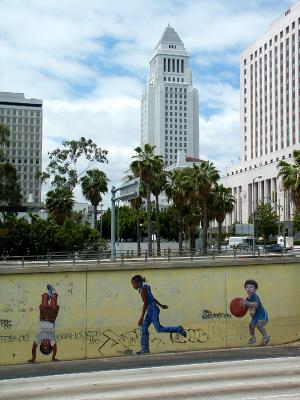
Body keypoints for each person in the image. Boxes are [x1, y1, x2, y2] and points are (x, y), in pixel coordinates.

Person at [131, 274, 187, 355]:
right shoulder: (146, 286)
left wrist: (142, 317)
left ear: (138, 282)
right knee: (144, 329)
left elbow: (146, 303)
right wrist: (161, 305)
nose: (133, 286)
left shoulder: (143, 290)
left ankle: (178, 329)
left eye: (133, 284)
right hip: (152, 309)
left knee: (159, 329)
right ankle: (145, 350)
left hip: (152, 310)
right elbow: (152, 298)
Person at [28, 285, 59, 362]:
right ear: (50, 344)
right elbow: (54, 348)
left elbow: (34, 348)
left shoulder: (39, 338)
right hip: (51, 317)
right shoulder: (52, 339)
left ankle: (48, 295)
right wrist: (53, 357)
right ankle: (52, 294)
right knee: (54, 298)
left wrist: (33, 358)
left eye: (44, 344)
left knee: (44, 296)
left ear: (41, 343)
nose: (45, 342)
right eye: (47, 344)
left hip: (43, 316)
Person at [241, 279, 270, 346]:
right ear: (245, 288)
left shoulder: (254, 296)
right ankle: (253, 338)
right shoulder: (247, 298)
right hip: (255, 316)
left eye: (251, 287)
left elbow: (255, 305)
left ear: (255, 289)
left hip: (262, 314)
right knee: (251, 326)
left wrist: (246, 303)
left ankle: (266, 336)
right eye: (247, 287)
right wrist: (242, 307)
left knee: (259, 325)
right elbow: (247, 307)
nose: (249, 288)